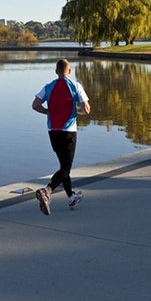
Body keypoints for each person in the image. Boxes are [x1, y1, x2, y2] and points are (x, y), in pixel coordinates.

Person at [30, 58, 91, 214]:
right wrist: (78, 112)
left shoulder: (48, 86)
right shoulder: (76, 86)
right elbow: (87, 109)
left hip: (52, 131)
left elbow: (35, 105)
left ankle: (71, 196)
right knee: (66, 167)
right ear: (69, 71)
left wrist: (47, 112)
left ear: (56, 71)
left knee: (64, 166)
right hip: (69, 130)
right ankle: (47, 191)